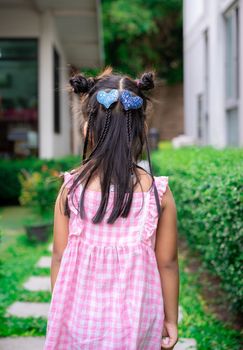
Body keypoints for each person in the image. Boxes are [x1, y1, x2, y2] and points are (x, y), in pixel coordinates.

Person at [44, 67, 179, 350]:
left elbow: (59, 255)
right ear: (142, 129)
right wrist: (171, 319)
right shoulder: (158, 193)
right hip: (136, 323)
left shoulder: (71, 189)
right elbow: (167, 263)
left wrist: (59, 312)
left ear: (86, 128)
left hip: (80, 322)